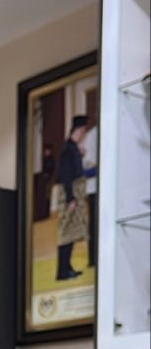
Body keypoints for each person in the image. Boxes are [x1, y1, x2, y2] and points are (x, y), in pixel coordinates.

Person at [55, 114, 89, 280]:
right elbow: (66, 175)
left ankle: (66, 267)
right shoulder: (68, 150)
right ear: (79, 130)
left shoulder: (73, 148)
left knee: (71, 233)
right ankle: (62, 271)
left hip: (74, 193)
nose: (84, 134)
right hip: (70, 195)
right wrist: (70, 198)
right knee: (66, 233)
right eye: (83, 131)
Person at [81, 122, 98, 267]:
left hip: (99, 186)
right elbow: (86, 165)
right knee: (94, 225)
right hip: (94, 188)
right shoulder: (92, 135)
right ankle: (94, 259)